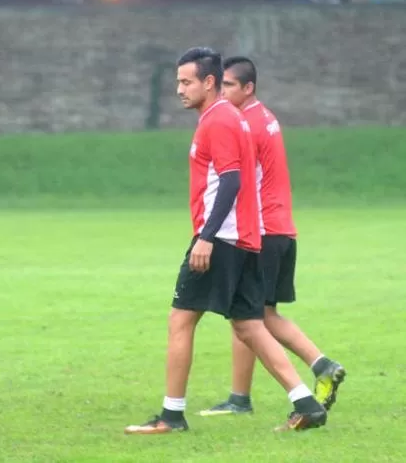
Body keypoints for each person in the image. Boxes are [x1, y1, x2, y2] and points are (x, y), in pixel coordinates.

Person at [124, 47, 327, 435]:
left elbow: (231, 181)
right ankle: (306, 403)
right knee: (250, 326)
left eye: (186, 82)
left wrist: (206, 236)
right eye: (178, 82)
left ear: (209, 82)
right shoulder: (230, 118)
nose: (179, 89)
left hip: (223, 240)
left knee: (180, 320)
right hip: (246, 238)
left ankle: (171, 416)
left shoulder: (218, 120)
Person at [197, 56, 346, 417]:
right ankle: (240, 397)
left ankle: (317, 365)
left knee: (249, 316)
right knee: (254, 314)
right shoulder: (266, 118)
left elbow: (237, 181)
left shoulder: (244, 124)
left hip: (262, 231)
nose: (222, 91)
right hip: (281, 229)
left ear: (248, 88)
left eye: (229, 85)